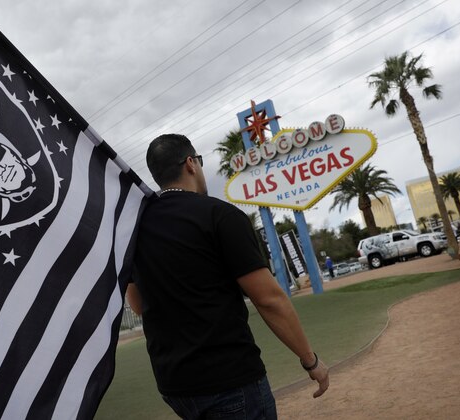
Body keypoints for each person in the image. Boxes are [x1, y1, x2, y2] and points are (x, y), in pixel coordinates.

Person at [126, 134, 329, 419]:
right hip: (229, 380)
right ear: (191, 164)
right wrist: (311, 361)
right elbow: (268, 299)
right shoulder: (220, 215)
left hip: (175, 386)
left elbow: (137, 304)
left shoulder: (134, 229)